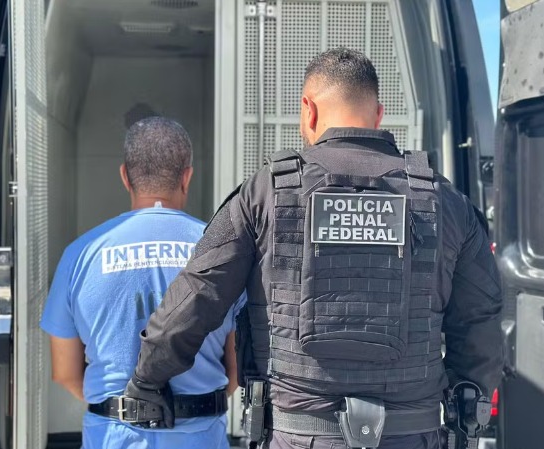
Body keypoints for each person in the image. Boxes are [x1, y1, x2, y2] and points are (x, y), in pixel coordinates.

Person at [123, 48, 504, 449]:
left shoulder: (267, 192)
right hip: (411, 435)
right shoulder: (444, 201)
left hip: (298, 436)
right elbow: (480, 323)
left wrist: (148, 380)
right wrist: (466, 412)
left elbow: (197, 296)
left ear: (308, 110)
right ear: (378, 115)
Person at [40, 116, 244, 449]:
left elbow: (64, 372)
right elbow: (238, 366)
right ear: (187, 177)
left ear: (125, 176)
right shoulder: (223, 249)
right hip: (201, 436)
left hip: (113, 436)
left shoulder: (81, 254)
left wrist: (119, 408)